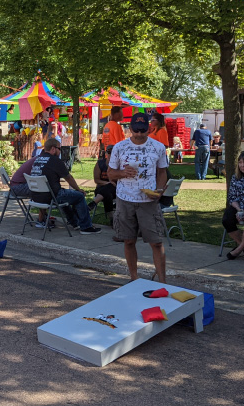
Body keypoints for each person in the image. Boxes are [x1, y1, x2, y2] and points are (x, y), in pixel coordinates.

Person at [107, 112, 169, 281]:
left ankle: (163, 281)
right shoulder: (119, 147)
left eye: (143, 131)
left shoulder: (158, 147)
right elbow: (110, 174)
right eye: (136, 130)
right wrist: (122, 172)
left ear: (149, 128)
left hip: (148, 200)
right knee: (128, 241)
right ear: (130, 129)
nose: (140, 134)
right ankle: (134, 278)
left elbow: (162, 172)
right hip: (125, 199)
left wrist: (160, 189)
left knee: (156, 242)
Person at [29, 138, 102, 235]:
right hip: (52, 197)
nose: (60, 152)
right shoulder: (54, 160)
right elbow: (69, 178)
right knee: (78, 196)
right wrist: (78, 189)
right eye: (60, 149)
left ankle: (75, 223)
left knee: (66, 197)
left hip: (36, 197)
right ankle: (86, 227)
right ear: (53, 149)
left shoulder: (37, 160)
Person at [88, 144, 116, 219]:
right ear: (106, 153)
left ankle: (93, 203)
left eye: (114, 152)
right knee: (107, 193)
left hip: (115, 190)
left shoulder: (119, 164)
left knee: (109, 191)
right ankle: (111, 217)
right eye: (109, 152)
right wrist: (108, 183)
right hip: (101, 189)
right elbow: (96, 180)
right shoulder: (100, 164)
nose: (111, 154)